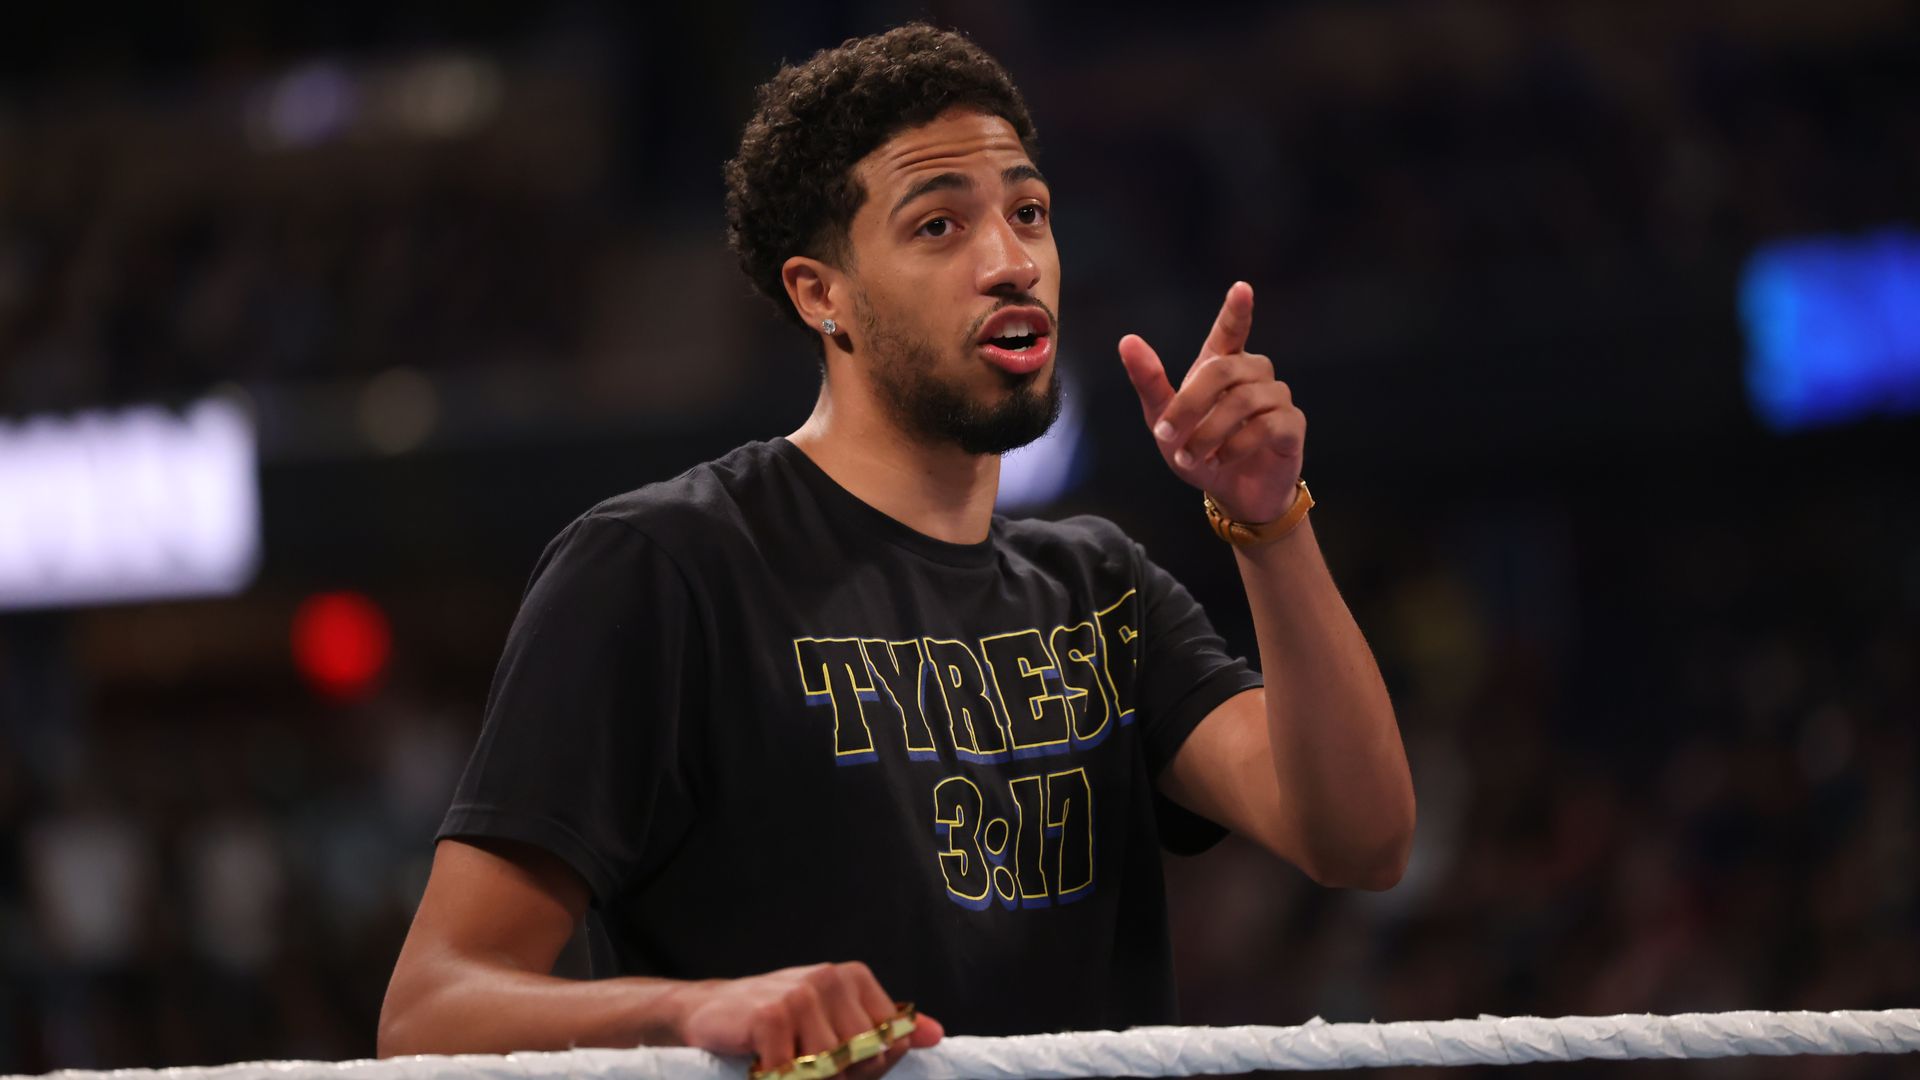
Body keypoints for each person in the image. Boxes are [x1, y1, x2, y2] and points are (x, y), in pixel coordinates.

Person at [378, 22, 1414, 1079]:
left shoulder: (1103, 588)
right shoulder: (663, 568)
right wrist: (700, 1011)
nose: (1011, 263)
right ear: (820, 294)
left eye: (1028, 213)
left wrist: (1270, 522)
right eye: (939, 226)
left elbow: (1362, 841)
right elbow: (430, 1009)